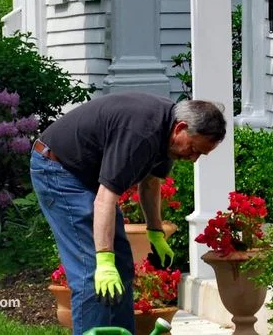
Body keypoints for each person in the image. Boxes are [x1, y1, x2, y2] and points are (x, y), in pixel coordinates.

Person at [30, 92, 227, 335]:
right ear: (181, 128)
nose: (194, 158)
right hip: (59, 169)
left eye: (201, 154)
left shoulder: (168, 135)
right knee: (92, 270)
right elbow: (105, 199)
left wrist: (155, 231)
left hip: (86, 176)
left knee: (121, 264)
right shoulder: (142, 133)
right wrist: (103, 259)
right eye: (195, 149)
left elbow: (151, 183)